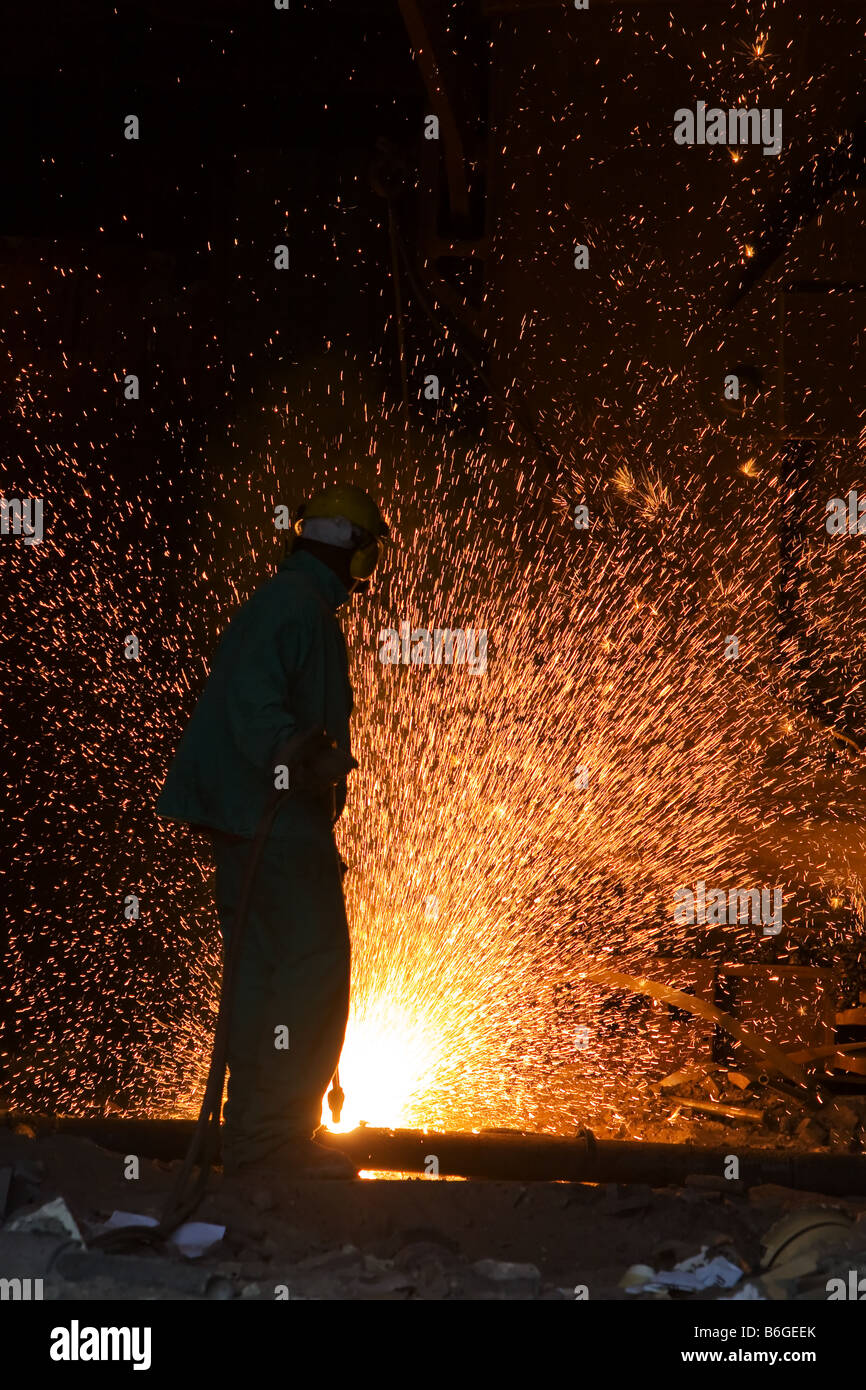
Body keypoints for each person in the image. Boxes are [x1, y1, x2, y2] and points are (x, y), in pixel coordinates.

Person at [157, 483, 390, 1181]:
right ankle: (279, 1136)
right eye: (368, 555)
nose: (367, 572)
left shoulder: (288, 602)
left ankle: (253, 1139)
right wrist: (296, 753)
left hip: (249, 816)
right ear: (350, 550)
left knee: (259, 973)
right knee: (314, 969)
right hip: (275, 819)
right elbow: (256, 706)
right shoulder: (296, 609)